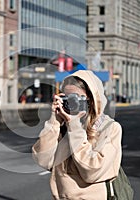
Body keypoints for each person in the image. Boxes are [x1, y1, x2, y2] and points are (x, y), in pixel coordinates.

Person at [32, 70, 122, 200]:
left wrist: (74, 126)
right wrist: (54, 122)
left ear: (92, 99)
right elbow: (43, 160)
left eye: (76, 98)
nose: (71, 102)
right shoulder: (63, 126)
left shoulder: (109, 128)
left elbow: (92, 172)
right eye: (67, 98)